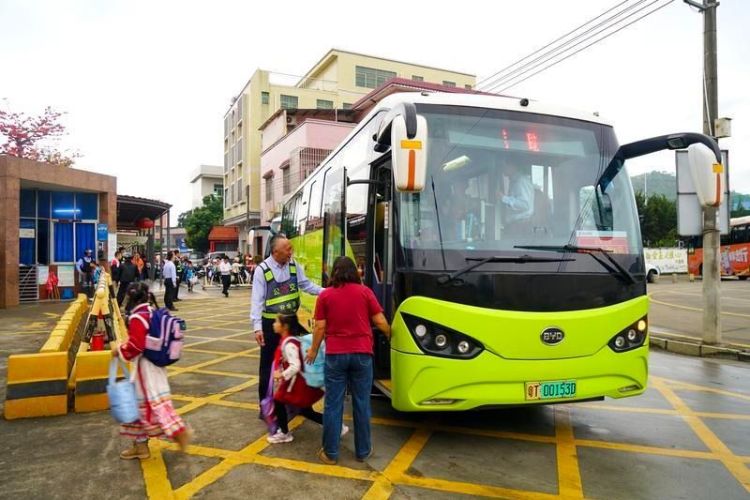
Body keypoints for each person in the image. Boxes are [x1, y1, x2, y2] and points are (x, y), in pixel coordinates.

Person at [306, 256, 391, 465]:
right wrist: (390, 335)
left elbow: (320, 327)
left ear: (334, 273)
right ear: (355, 272)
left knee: (333, 404)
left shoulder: (325, 295)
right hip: (362, 354)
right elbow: (380, 321)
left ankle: (330, 453)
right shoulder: (365, 292)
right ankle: (363, 451)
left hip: (335, 355)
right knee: (362, 403)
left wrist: (313, 351)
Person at [112, 282, 190, 460]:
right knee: (146, 406)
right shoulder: (151, 311)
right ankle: (141, 446)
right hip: (155, 368)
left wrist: (119, 351)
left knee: (146, 406)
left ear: (130, 298)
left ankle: (178, 432)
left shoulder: (137, 317)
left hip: (145, 370)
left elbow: (136, 346)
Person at [251, 236, 322, 416]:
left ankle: (300, 404)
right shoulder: (262, 270)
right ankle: (266, 408)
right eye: (288, 249)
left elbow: (306, 285)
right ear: (275, 251)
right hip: (271, 325)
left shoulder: (293, 265)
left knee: (296, 362)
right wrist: (257, 327)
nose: (291, 252)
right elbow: (257, 301)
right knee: (268, 366)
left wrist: (326, 292)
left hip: (291, 324)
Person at [266, 313, 335, 444]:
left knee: (279, 401)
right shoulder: (292, 340)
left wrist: (281, 375)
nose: (274, 324)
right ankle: (336, 426)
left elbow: (295, 366)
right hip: (300, 382)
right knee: (304, 410)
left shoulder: (289, 344)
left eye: (276, 322)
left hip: (297, 383)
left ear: (285, 326)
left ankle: (284, 433)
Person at [500, 163, 534, 233]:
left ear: (513, 166)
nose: (502, 168)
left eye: (505, 165)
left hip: (521, 227)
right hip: (516, 225)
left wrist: (504, 198)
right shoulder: (514, 181)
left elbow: (525, 205)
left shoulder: (521, 181)